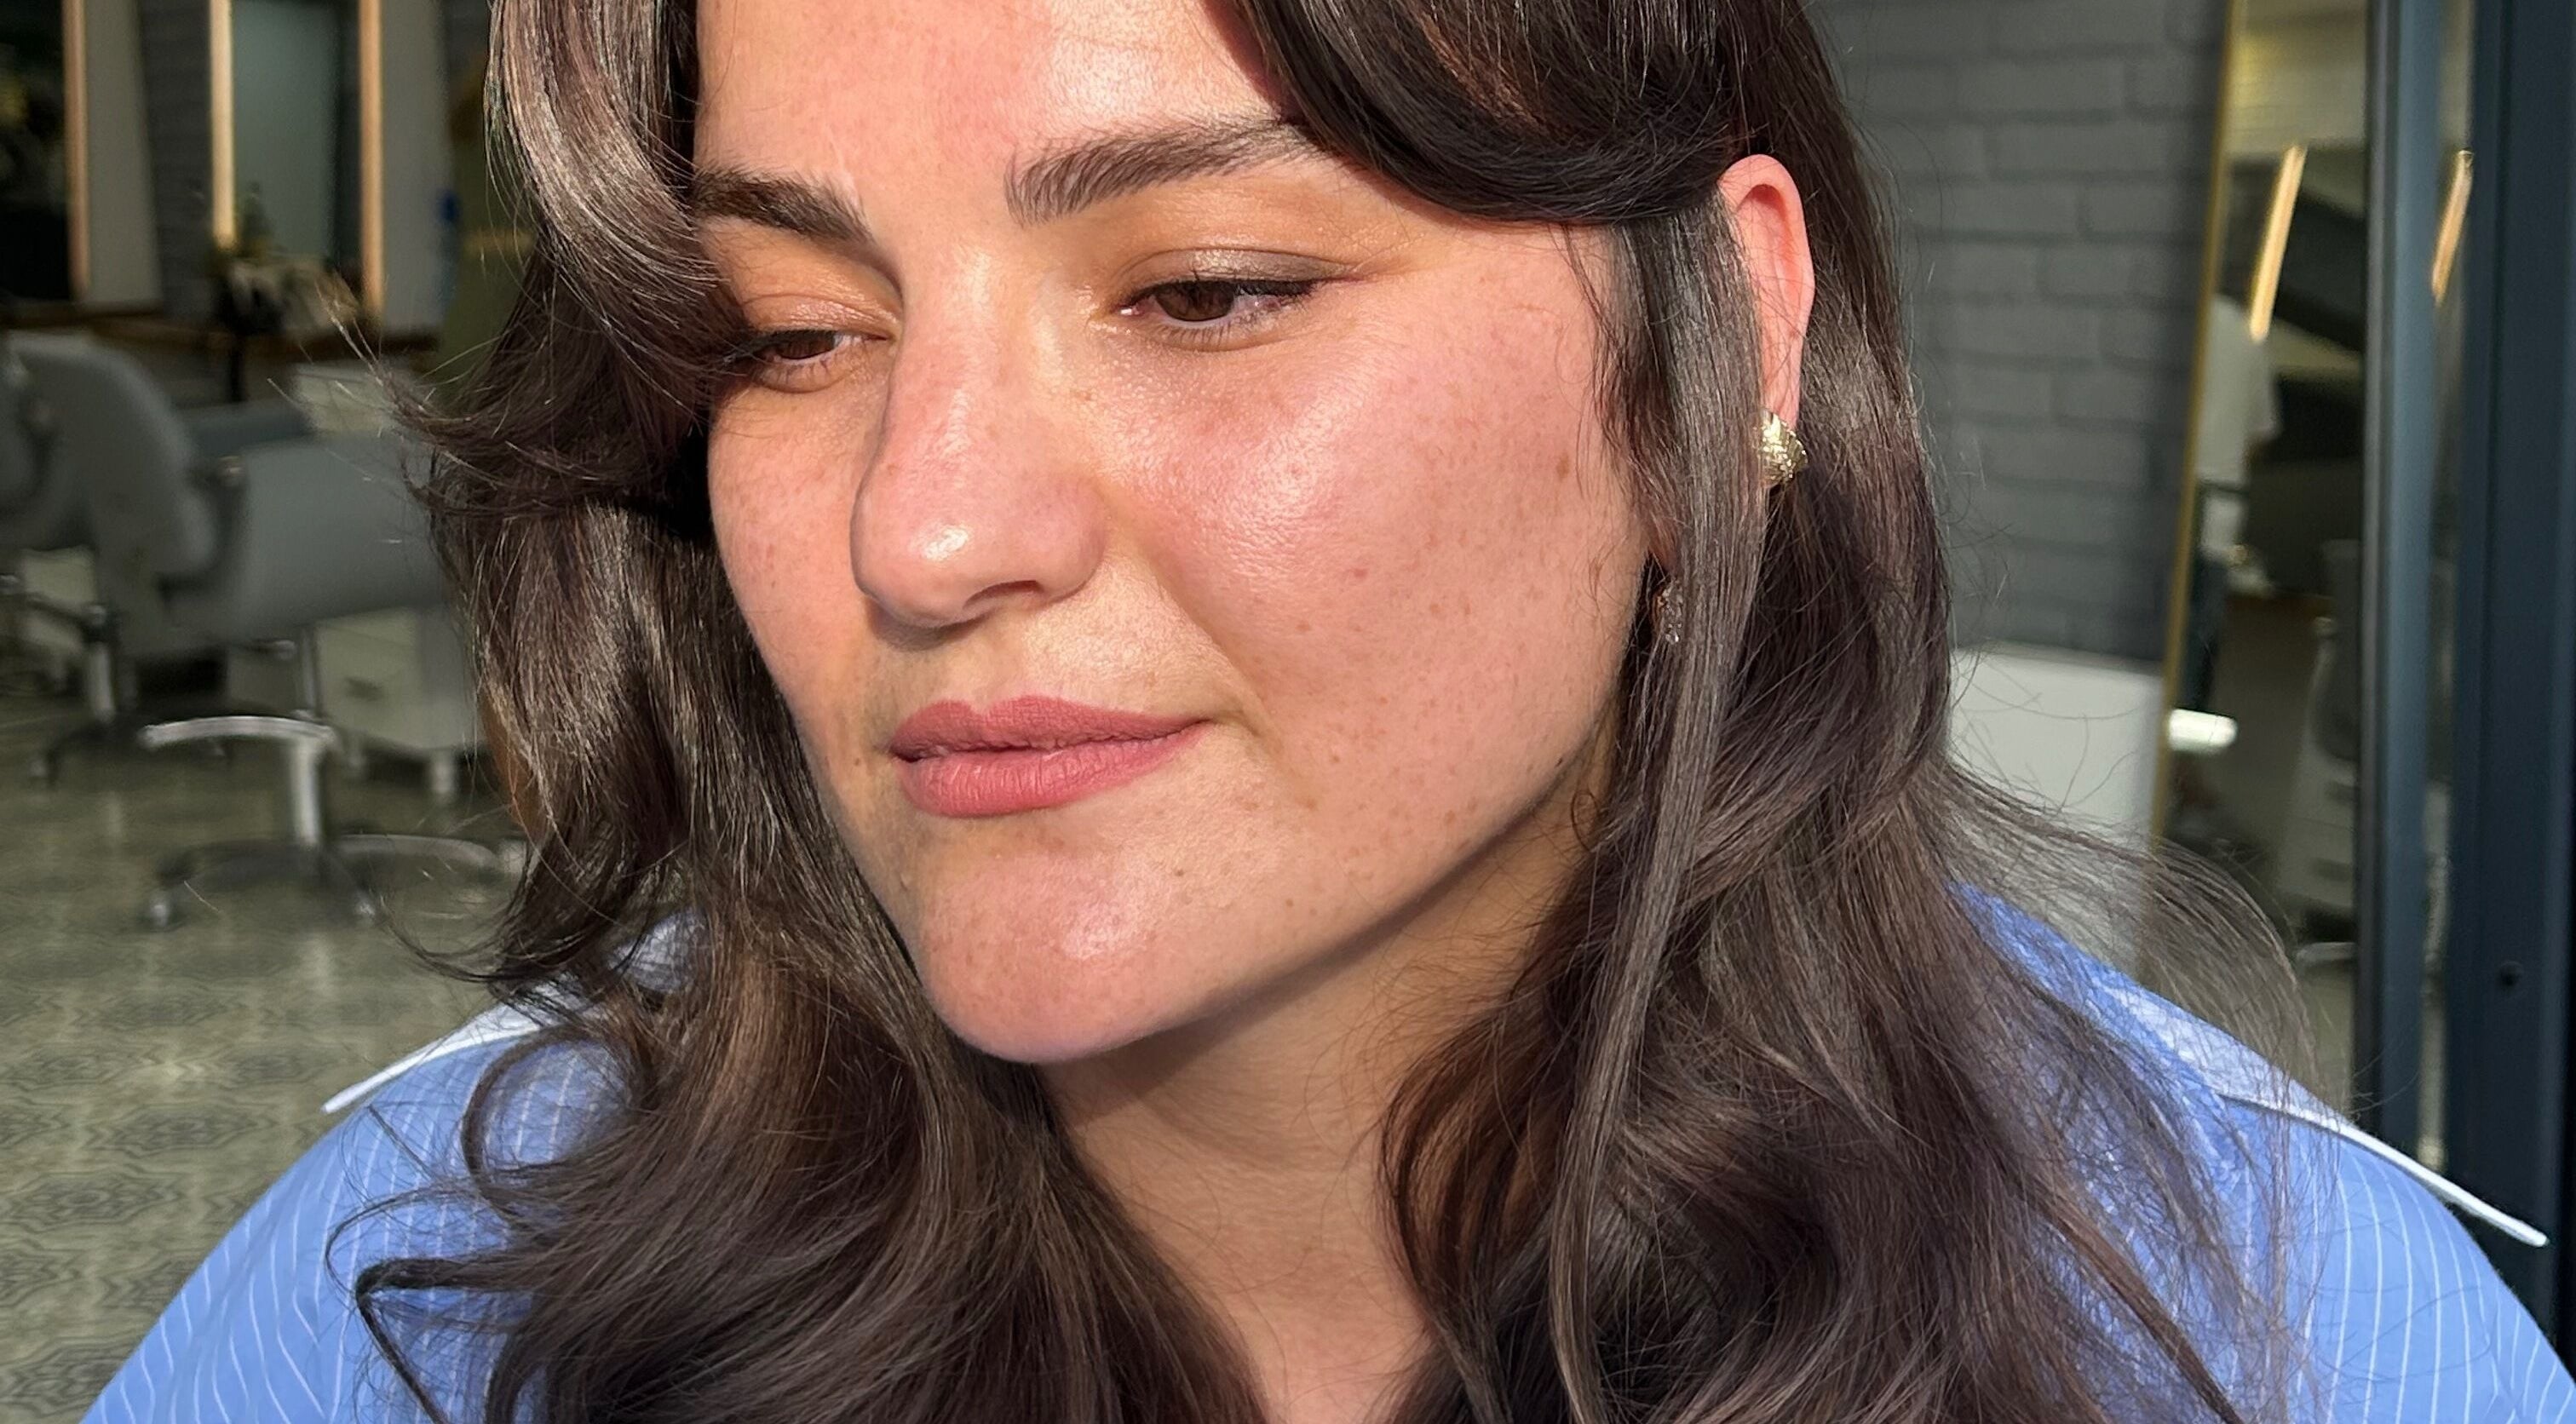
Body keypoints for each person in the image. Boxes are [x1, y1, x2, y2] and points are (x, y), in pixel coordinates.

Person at [85, 0, 2573, 1420]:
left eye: (1209, 290)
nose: (919, 535)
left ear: (1729, 359)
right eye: (792, 337)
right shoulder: (419, 1303)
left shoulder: (2276, 1339)